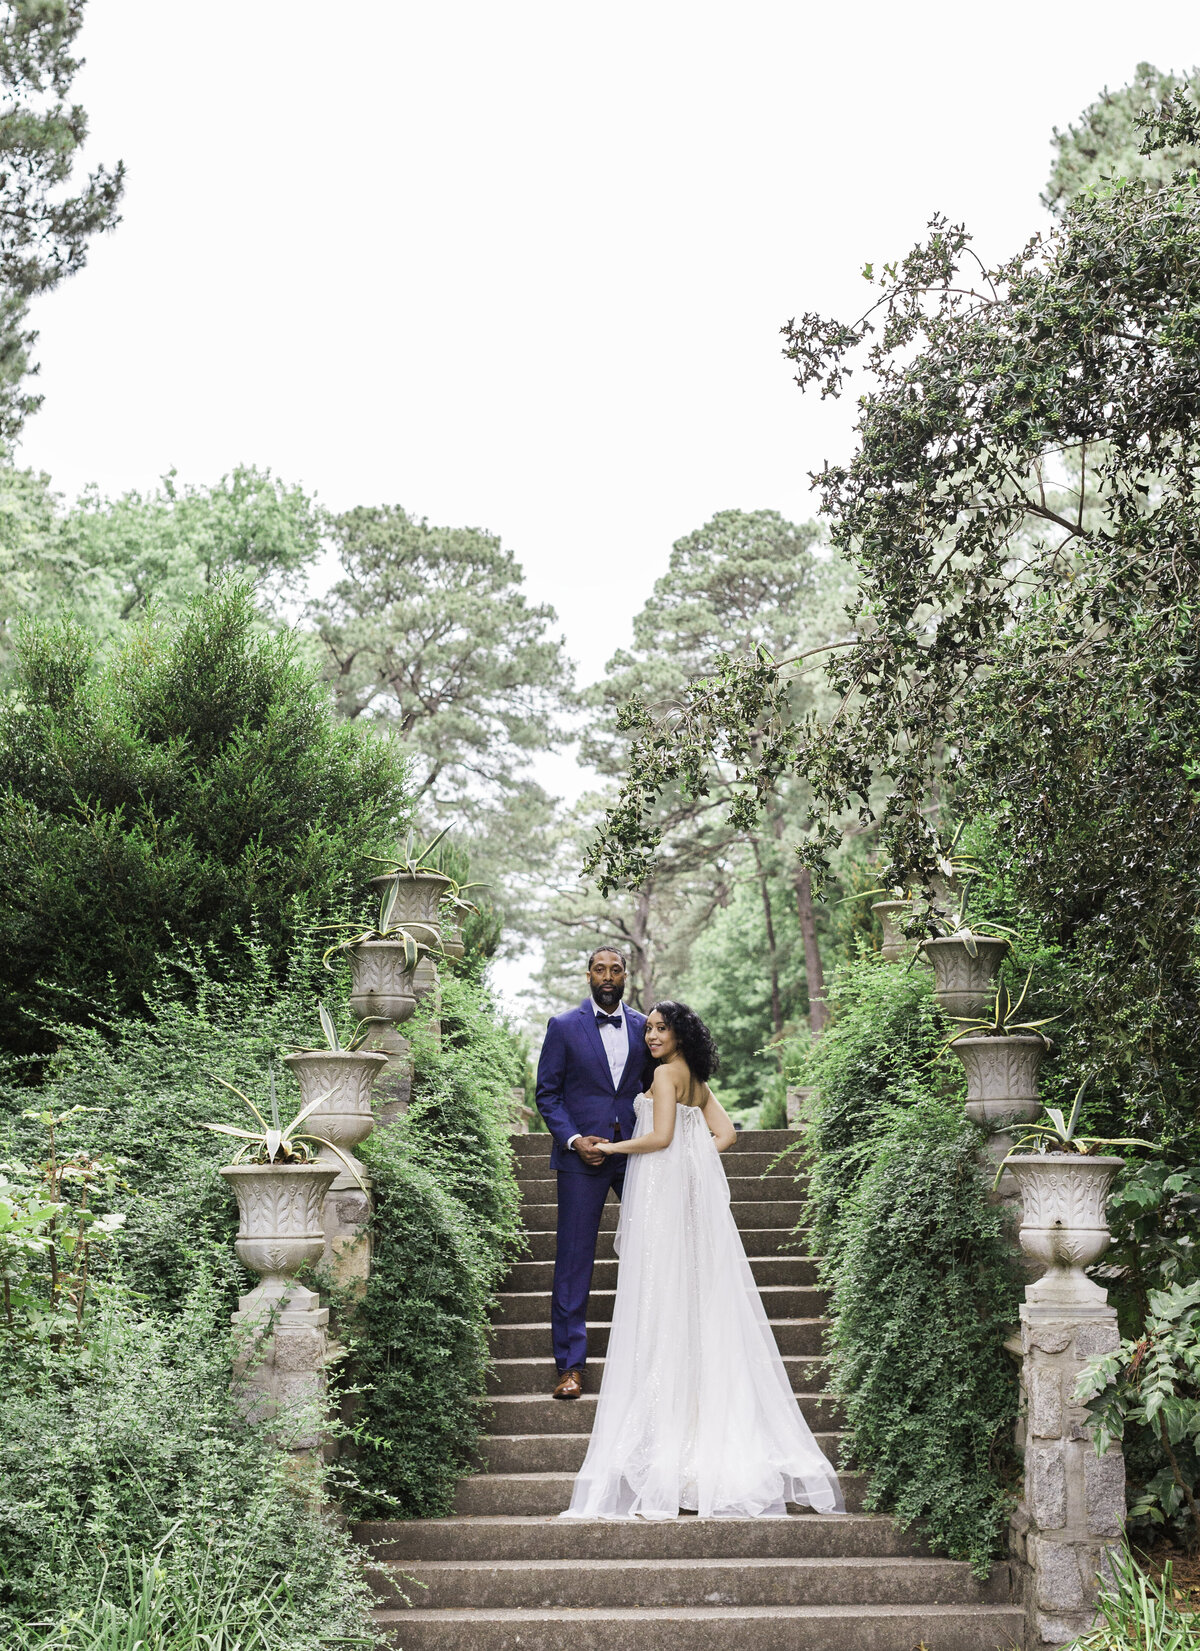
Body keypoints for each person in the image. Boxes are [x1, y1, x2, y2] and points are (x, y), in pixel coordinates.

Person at [560, 999, 843, 1520]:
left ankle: (674, 1433)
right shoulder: (694, 1078)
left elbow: (663, 1137)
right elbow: (727, 1134)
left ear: (680, 1034)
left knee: (664, 1298)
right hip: (683, 1195)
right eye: (649, 1029)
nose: (651, 1037)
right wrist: (691, 1162)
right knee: (691, 1295)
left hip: (667, 1201)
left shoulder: (667, 1075)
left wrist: (613, 1149)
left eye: (661, 1029)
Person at [534, 945, 656, 1400]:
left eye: (616, 969)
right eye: (600, 969)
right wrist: (573, 1139)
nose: (608, 976)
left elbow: (655, 1089)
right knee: (573, 1261)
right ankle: (570, 1367)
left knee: (652, 1250)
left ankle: (651, 1359)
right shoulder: (563, 1027)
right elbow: (548, 1094)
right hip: (580, 1159)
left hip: (637, 1156)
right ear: (588, 974)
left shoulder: (648, 1028)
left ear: (626, 975)